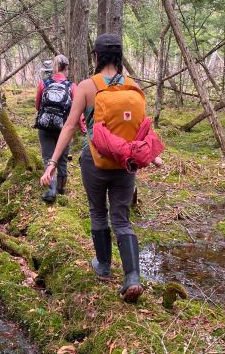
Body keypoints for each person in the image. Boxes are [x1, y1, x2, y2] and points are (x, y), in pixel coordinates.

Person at [40, 33, 161, 303]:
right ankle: (132, 277)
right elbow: (142, 130)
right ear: (120, 57)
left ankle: (104, 266)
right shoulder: (133, 86)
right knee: (122, 218)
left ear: (96, 56)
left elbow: (70, 126)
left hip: (93, 161)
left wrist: (52, 162)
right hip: (126, 164)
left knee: (97, 212)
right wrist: (153, 156)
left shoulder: (87, 86)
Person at [35, 55, 82, 202]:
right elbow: (77, 111)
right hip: (64, 128)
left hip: (45, 127)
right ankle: (61, 190)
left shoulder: (43, 83)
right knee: (62, 159)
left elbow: (38, 106)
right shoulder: (72, 86)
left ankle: (51, 191)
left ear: (54, 66)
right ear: (67, 67)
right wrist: (83, 128)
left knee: (48, 158)